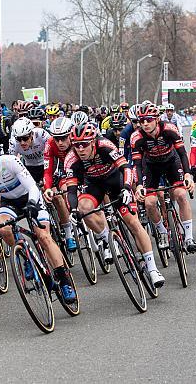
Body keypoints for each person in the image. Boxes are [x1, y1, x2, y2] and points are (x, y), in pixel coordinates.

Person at [0, 138, 76, 304]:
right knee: (3, 228)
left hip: (30, 198)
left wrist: (33, 203)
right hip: (9, 203)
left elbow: (32, 187)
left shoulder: (10, 162)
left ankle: (64, 281)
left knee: (44, 237)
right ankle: (25, 255)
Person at [65, 122, 165, 288]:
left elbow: (126, 168)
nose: (80, 149)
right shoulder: (71, 159)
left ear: (92, 142)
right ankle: (105, 237)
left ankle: (153, 269)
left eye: (84, 145)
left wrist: (126, 188)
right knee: (83, 209)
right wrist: (73, 210)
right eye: (76, 145)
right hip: (93, 184)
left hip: (115, 180)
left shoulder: (105, 146)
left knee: (133, 222)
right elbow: (71, 190)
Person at [131, 102, 196, 253]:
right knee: (149, 202)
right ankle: (161, 231)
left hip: (171, 162)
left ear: (157, 119)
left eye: (149, 119)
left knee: (180, 194)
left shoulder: (169, 129)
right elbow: (137, 164)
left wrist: (188, 174)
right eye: (142, 121)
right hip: (151, 166)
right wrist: (139, 185)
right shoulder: (137, 137)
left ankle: (189, 237)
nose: (145, 123)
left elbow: (182, 153)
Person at [42, 117, 77, 251]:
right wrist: (48, 188)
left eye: (63, 138)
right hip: (65, 168)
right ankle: (69, 235)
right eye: (57, 138)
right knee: (64, 189)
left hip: (83, 166)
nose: (60, 142)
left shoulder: (77, 140)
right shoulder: (50, 144)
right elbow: (47, 171)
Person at [9, 117, 50, 184]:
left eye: (25, 138)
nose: (22, 142)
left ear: (32, 134)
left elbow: (54, 150)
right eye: (19, 139)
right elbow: (11, 163)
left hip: (46, 164)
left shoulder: (41, 134)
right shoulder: (14, 142)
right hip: (30, 166)